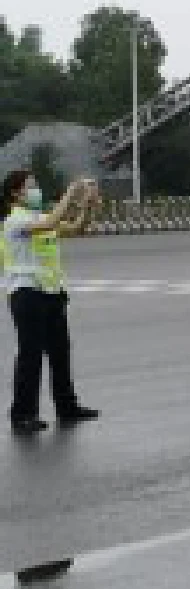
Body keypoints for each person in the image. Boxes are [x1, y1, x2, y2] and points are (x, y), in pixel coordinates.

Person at [4, 169, 101, 434]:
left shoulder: (41, 217)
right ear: (16, 193)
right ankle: (23, 415)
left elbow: (77, 229)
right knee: (30, 355)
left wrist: (88, 207)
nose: (36, 190)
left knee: (61, 352)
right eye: (31, 186)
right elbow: (52, 223)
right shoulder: (14, 222)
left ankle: (67, 407)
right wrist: (71, 193)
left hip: (52, 292)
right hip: (26, 293)